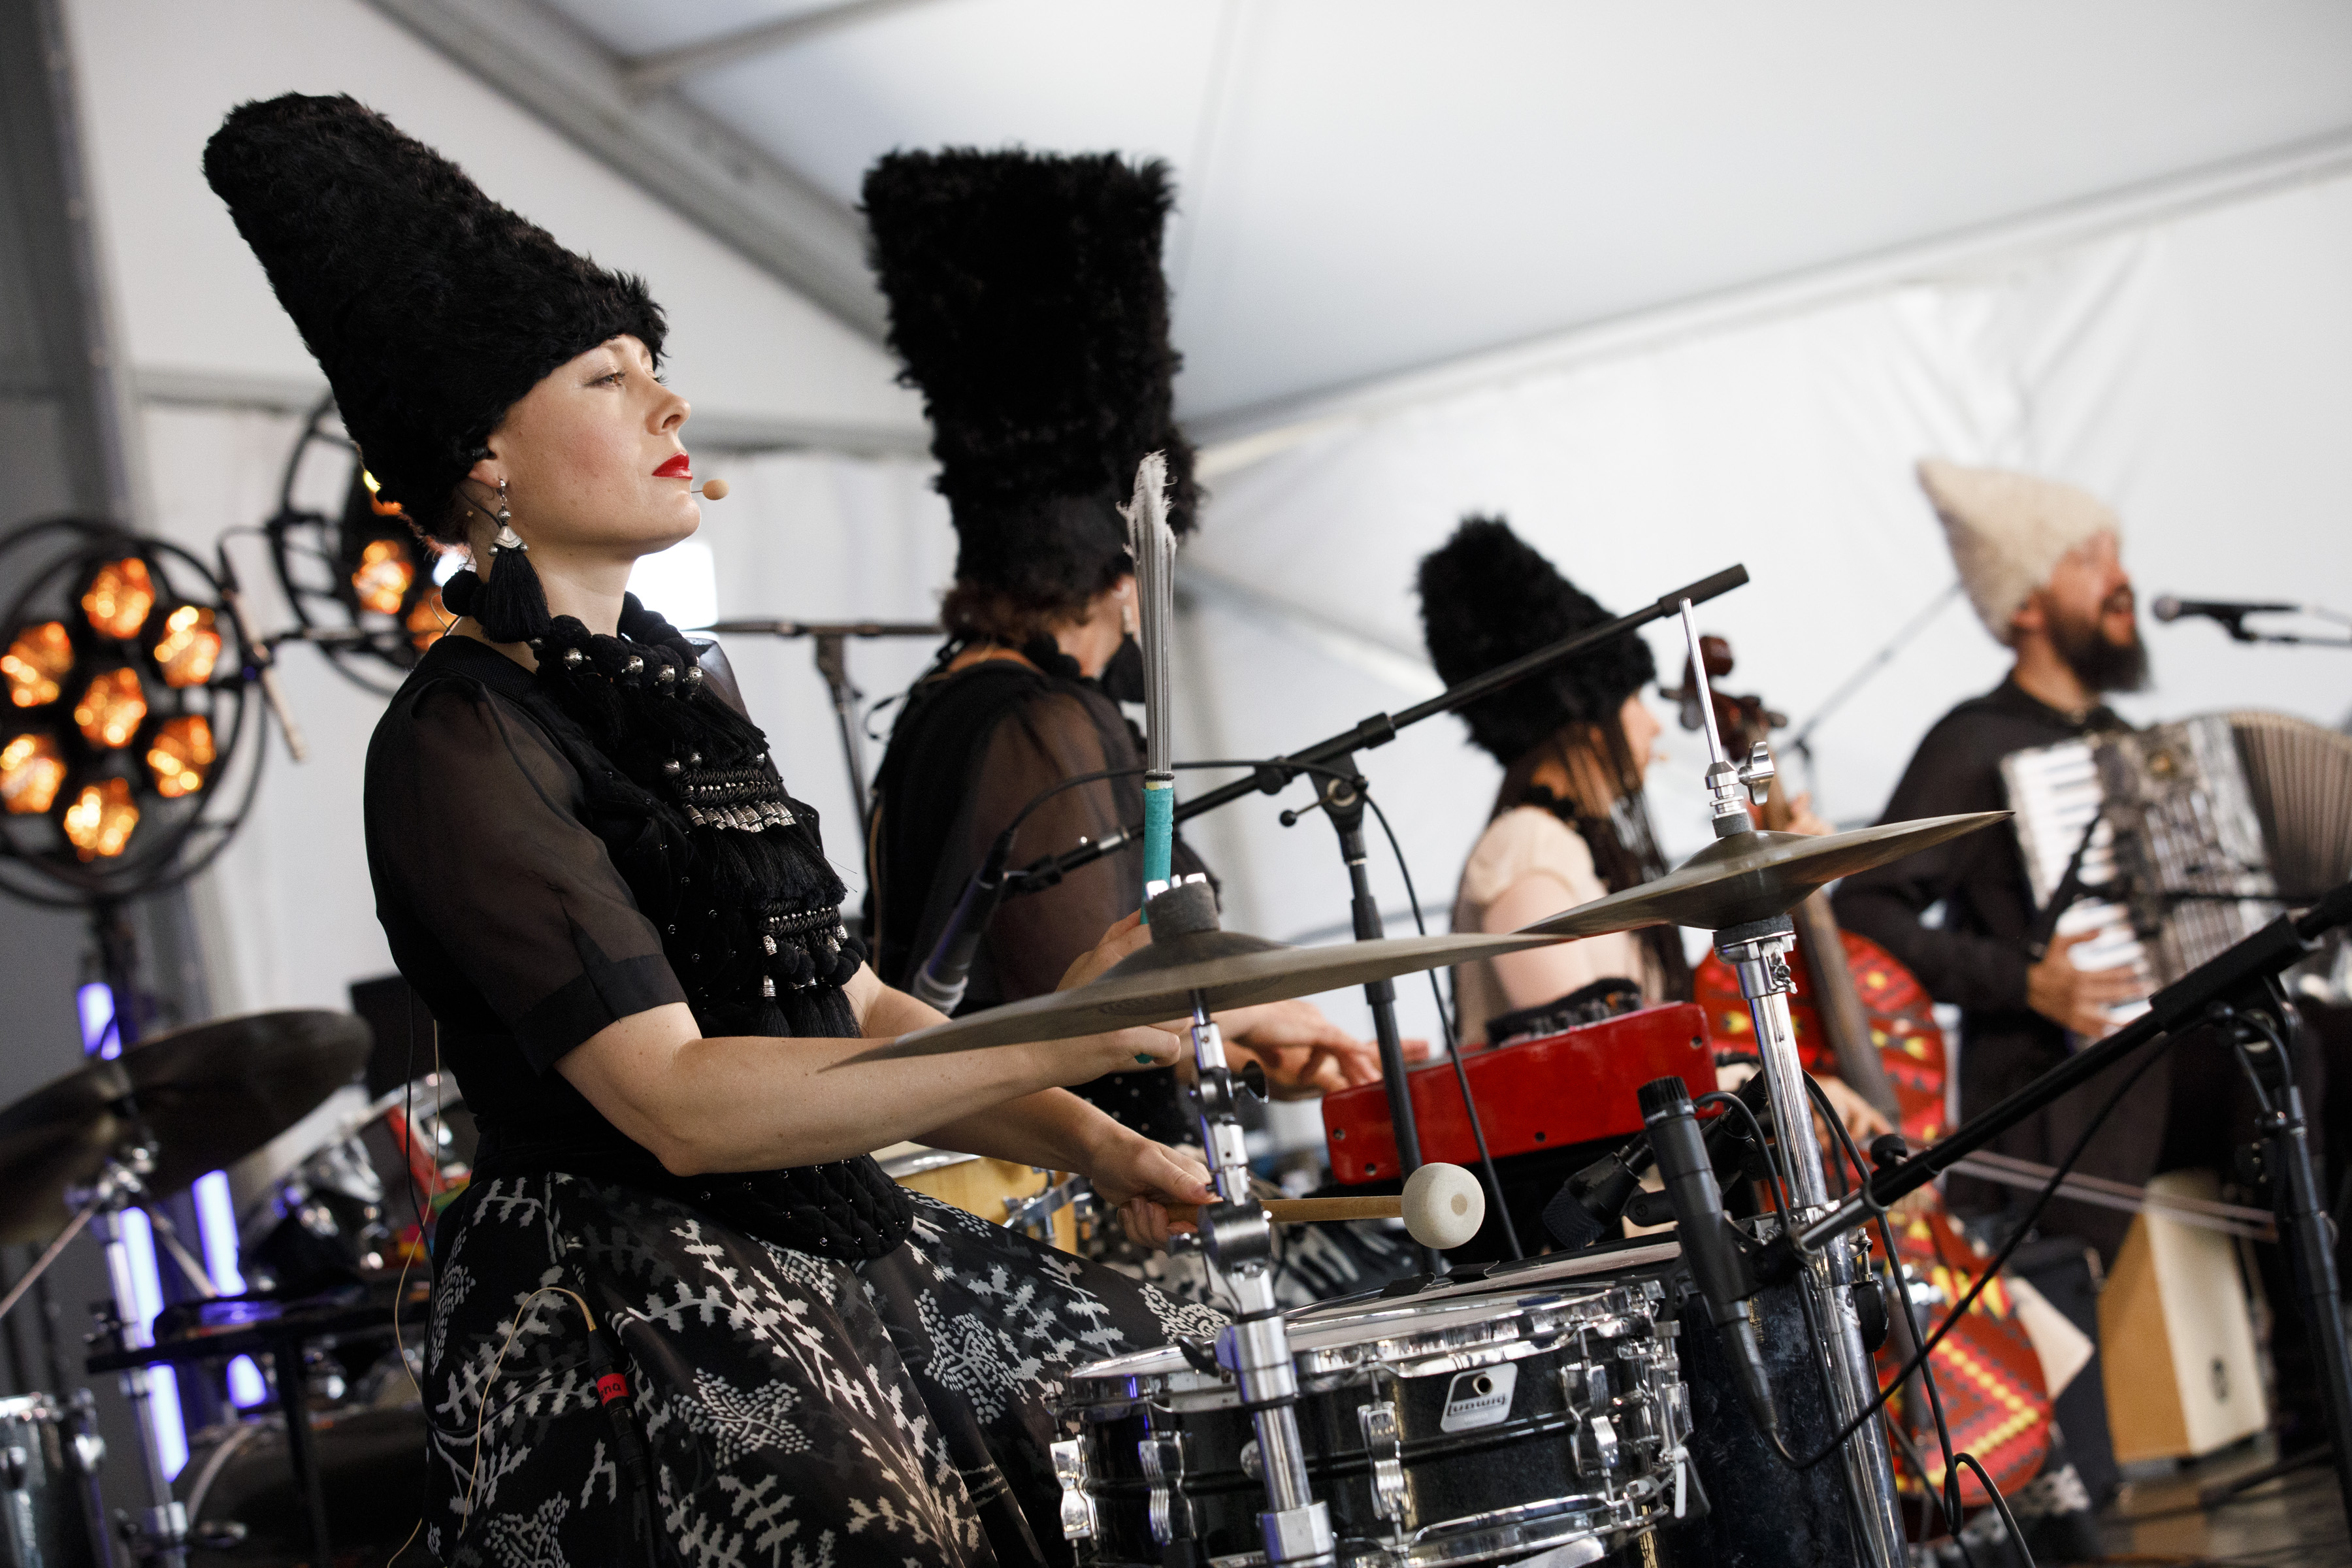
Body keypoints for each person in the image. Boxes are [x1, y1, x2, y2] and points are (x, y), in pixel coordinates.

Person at [208, 95, 1224, 1567]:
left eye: (656, 368)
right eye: (609, 378)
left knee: (1193, 1378)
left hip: (839, 1258)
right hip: (636, 1312)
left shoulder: (690, 688)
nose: (668, 405)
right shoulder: (458, 740)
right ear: (486, 458)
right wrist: (1064, 1039)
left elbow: (853, 1009)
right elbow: (679, 1099)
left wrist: (1089, 1144)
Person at [861, 150, 1383, 1152]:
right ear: (1120, 576)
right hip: (1045, 1205)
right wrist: (1253, 1017)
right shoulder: (1043, 720)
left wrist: (1255, 1044)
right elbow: (1093, 1015)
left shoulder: (958, 699)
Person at [1835, 460, 2325, 1269]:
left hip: (2164, 1057)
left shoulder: (2129, 742)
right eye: (2090, 560)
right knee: (2290, 1055)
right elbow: (1866, 911)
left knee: (2312, 1038)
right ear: (2025, 602)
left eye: (2117, 555)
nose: (2122, 579)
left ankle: (2310, 1326)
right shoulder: (1973, 742)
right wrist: (2022, 979)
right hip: (2059, 1084)